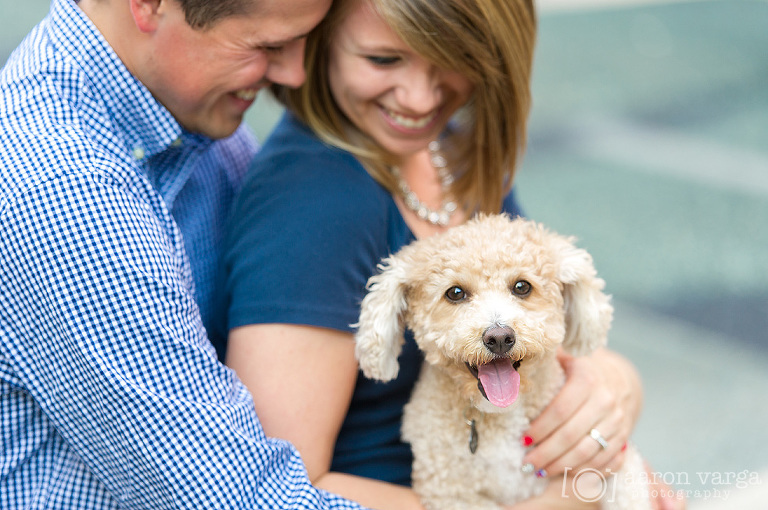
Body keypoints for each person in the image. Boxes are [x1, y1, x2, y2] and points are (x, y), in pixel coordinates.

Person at [218, 0, 684, 509]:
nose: (420, 100)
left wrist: (614, 387)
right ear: (321, 42)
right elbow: (279, 486)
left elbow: (542, 321)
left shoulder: (450, 149)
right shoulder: (311, 206)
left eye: (449, 56)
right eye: (383, 60)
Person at [0, 0, 368, 508]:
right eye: (268, 46)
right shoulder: (63, 188)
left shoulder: (205, 126)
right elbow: (232, 498)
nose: (295, 73)